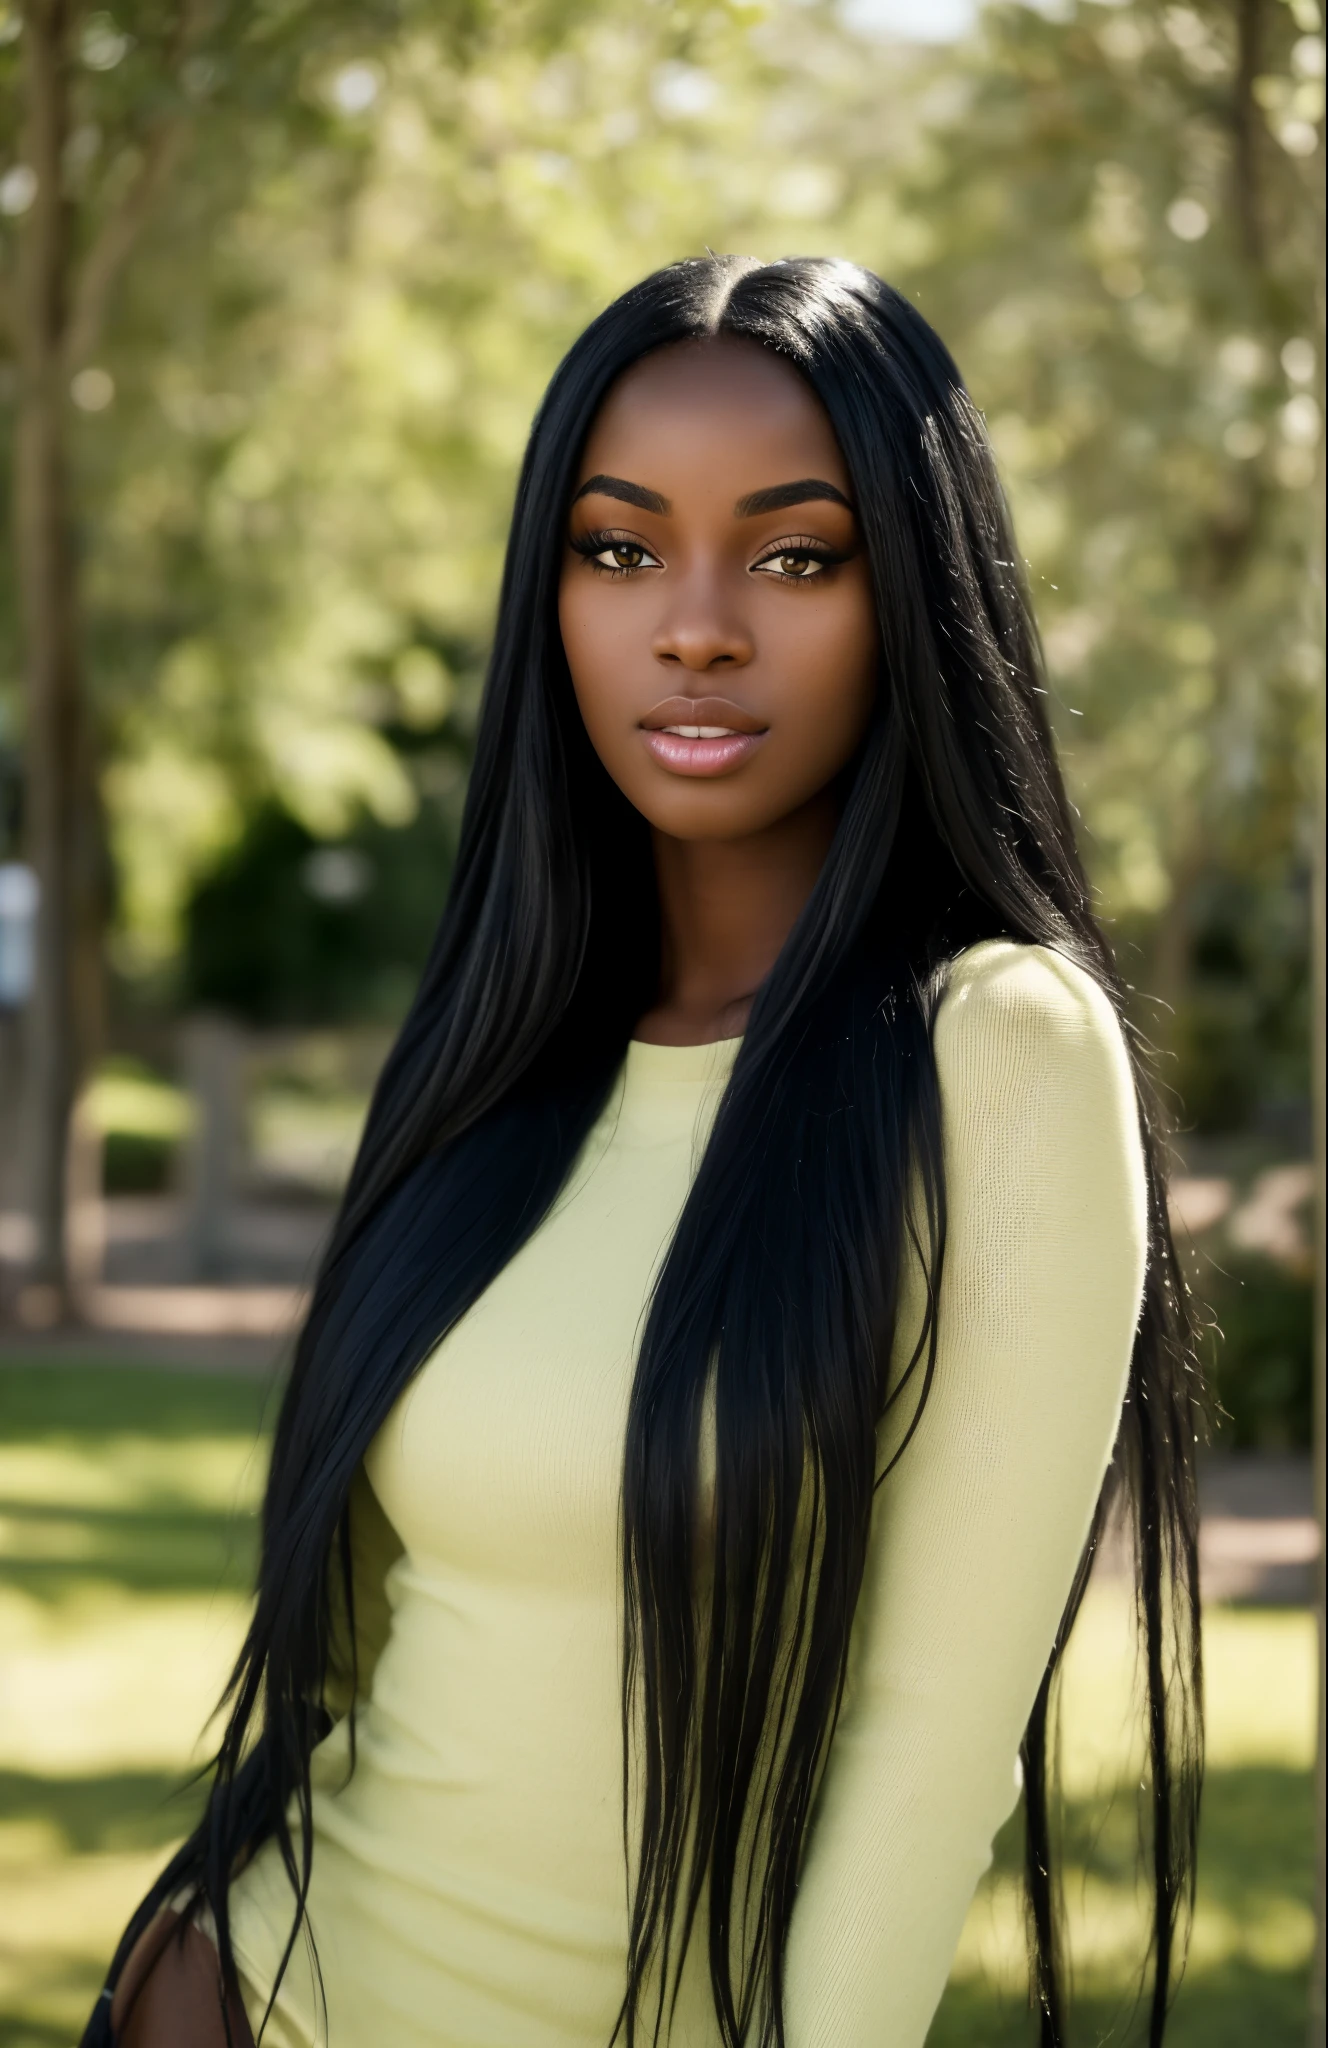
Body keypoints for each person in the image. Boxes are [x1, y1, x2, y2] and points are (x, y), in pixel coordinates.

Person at [88, 255, 1203, 2048]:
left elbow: (929, 1749)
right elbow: (365, 1650)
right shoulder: (495, 1053)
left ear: (910, 594)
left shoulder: (996, 1051)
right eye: (618, 550)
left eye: (792, 556)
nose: (694, 626)